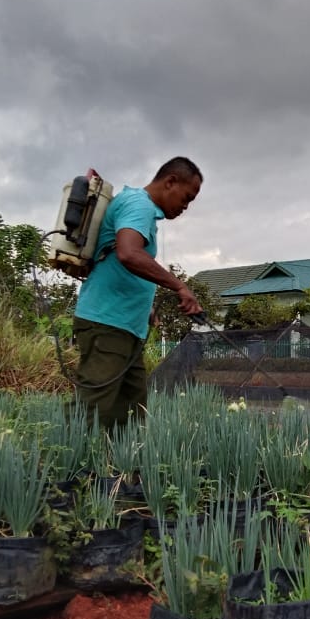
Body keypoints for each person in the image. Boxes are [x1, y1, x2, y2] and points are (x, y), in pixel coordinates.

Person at [72, 157, 204, 430]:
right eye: (186, 197)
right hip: (107, 323)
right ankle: (69, 467)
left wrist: (146, 308)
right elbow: (129, 253)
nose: (185, 207)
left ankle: (118, 470)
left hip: (124, 326)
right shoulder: (139, 205)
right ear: (170, 182)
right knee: (92, 408)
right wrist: (179, 286)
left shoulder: (140, 208)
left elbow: (125, 262)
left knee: (130, 411)